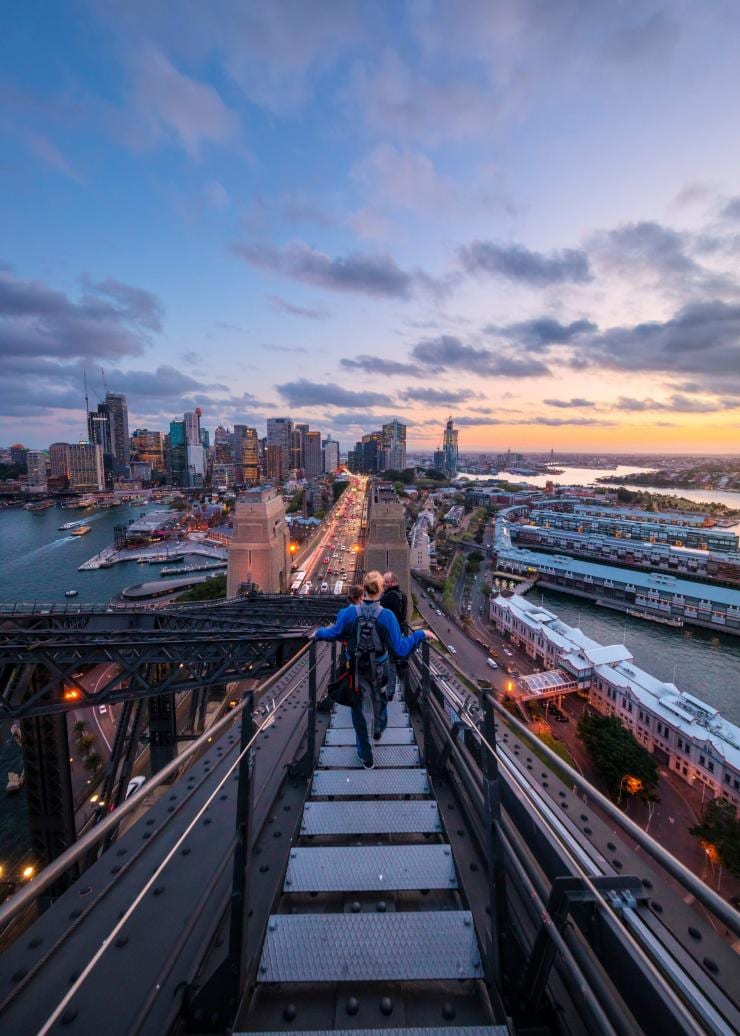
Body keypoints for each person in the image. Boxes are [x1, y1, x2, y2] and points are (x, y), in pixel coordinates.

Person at [313, 570, 435, 769]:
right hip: (380, 670)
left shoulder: (349, 613)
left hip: (355, 672)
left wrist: (317, 633)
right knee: (378, 695)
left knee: (358, 710)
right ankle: (379, 721)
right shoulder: (387, 617)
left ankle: (365, 754)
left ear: (365, 590)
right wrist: (421, 634)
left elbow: (332, 633)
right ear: (380, 590)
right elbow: (401, 650)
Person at [380, 571, 408, 699]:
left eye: (385, 582)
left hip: (387, 635)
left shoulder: (387, 597)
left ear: (391, 582)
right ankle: (390, 690)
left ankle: (387, 691)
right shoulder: (403, 596)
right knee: (392, 661)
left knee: (386, 661)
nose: (383, 584)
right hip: (399, 633)